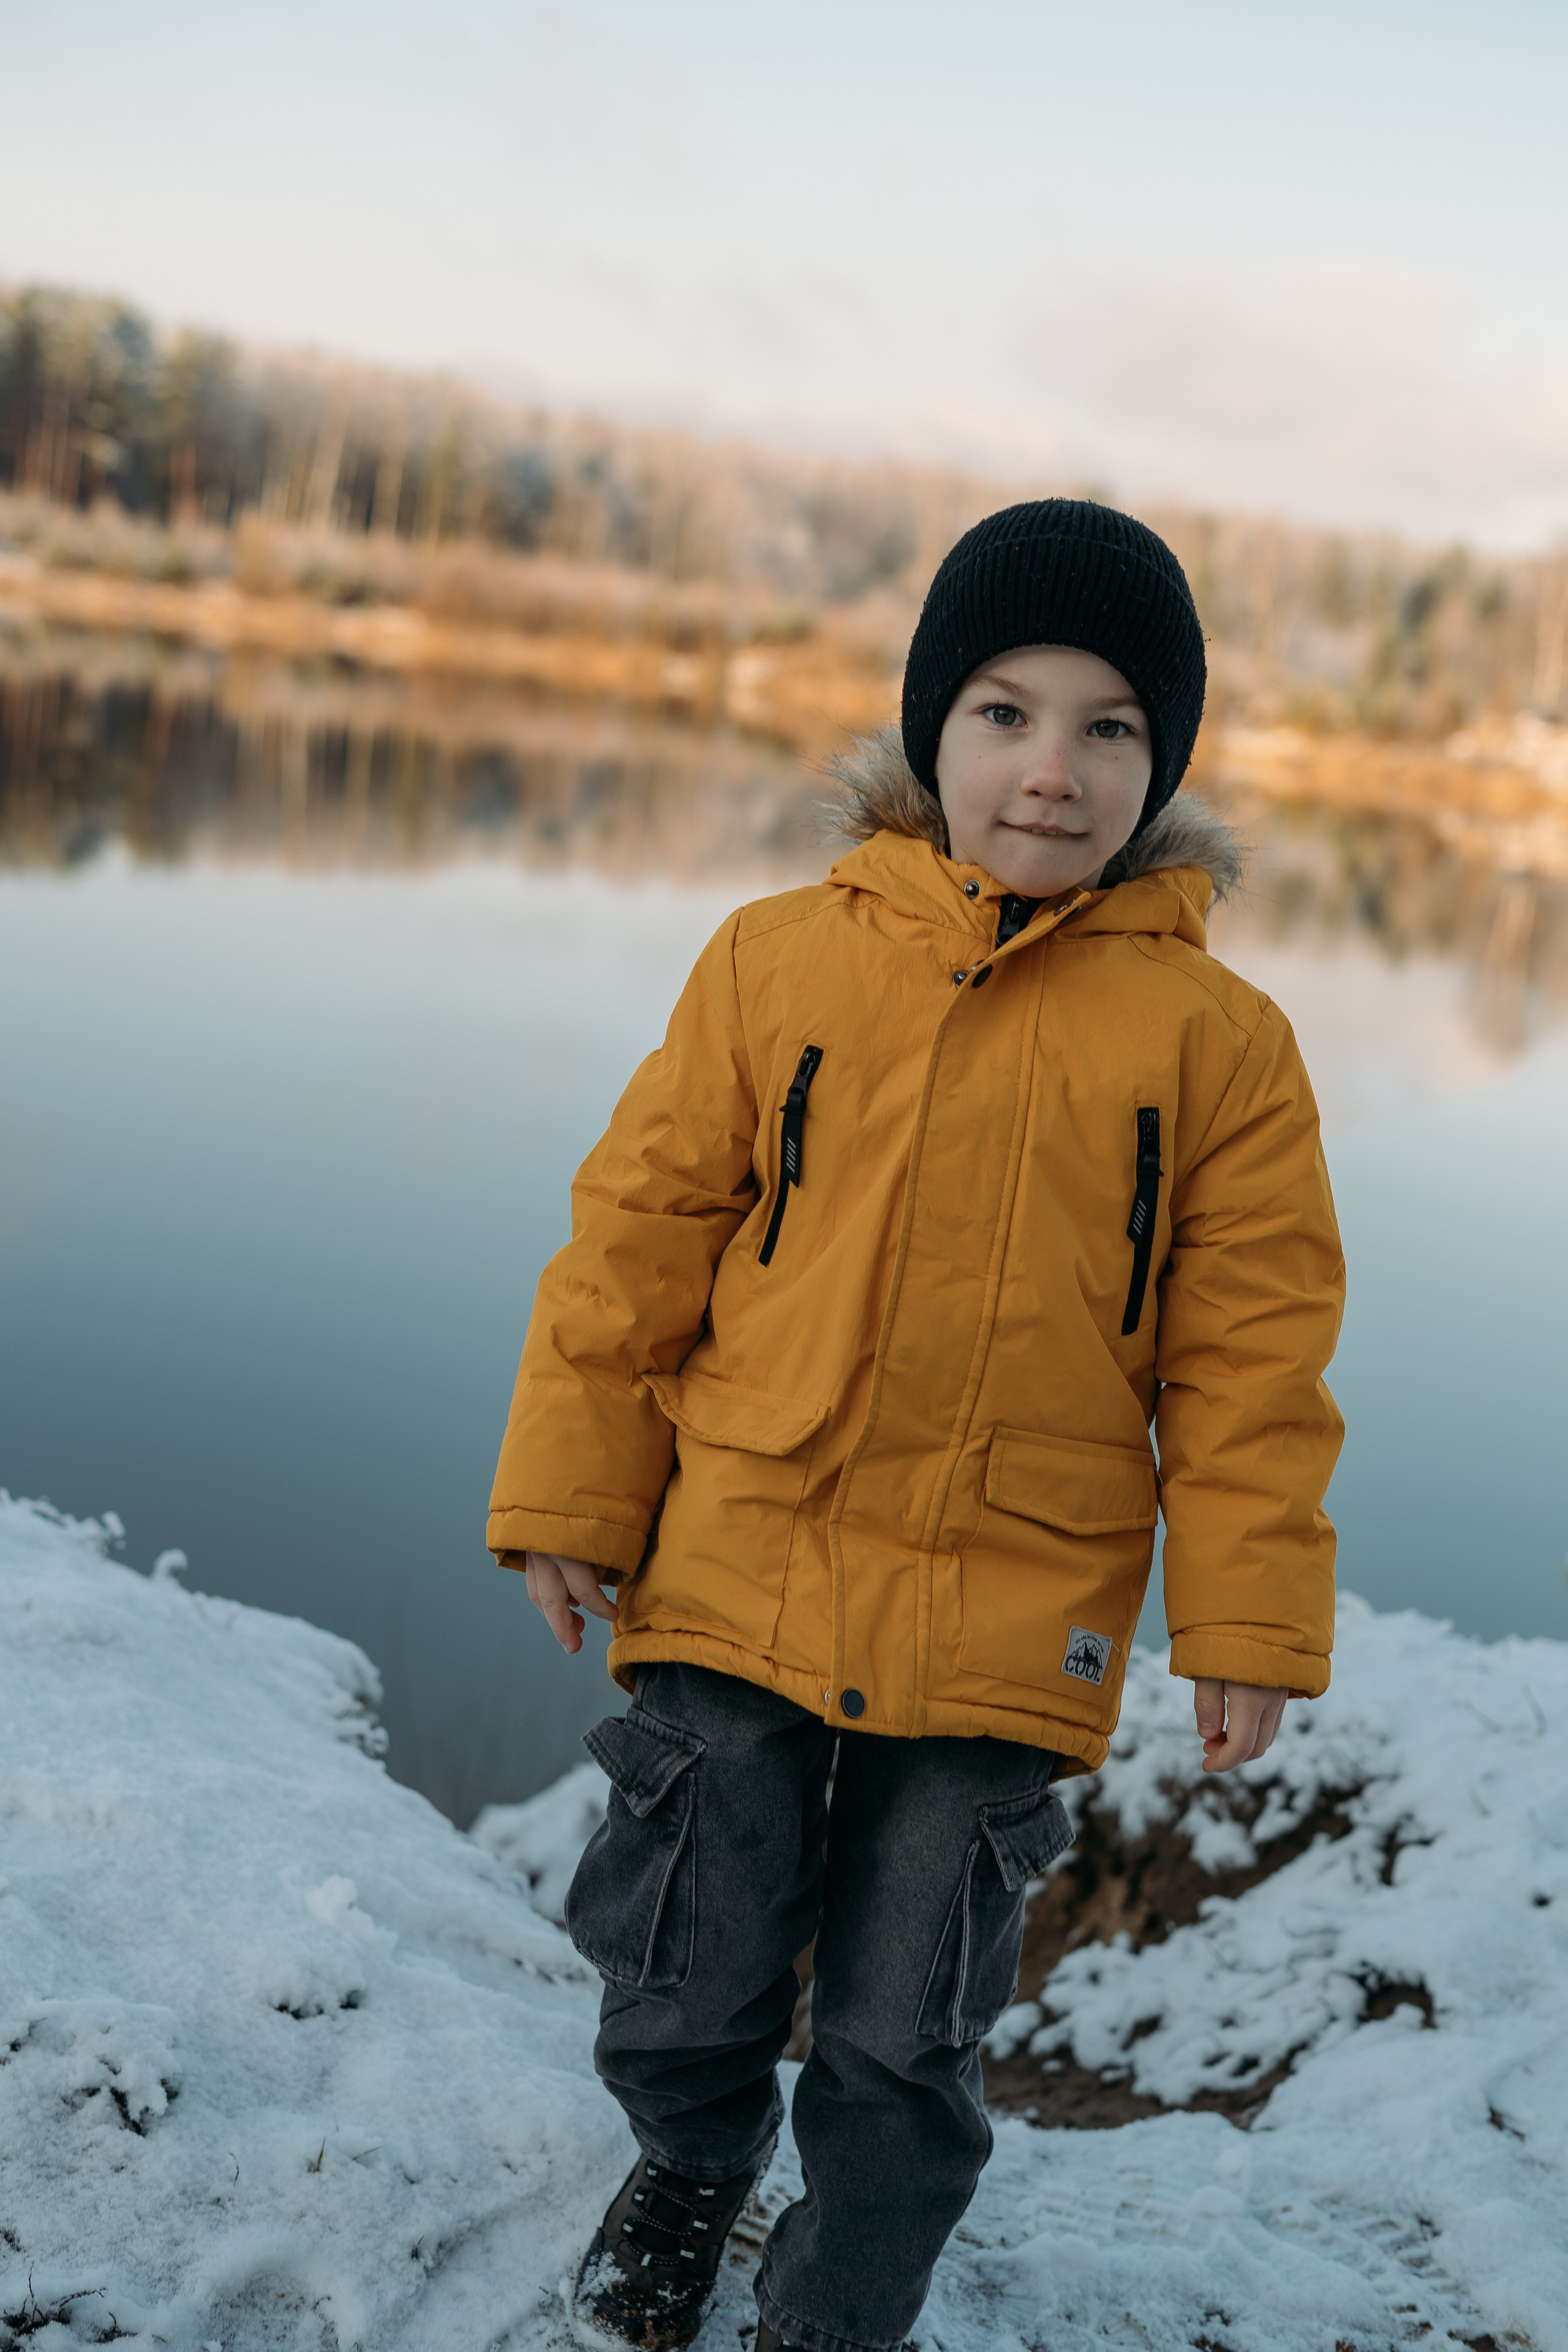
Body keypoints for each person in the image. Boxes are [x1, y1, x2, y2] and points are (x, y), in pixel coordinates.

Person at [487, 499, 1344, 2352]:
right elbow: (636, 1244)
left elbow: (1252, 1359)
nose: (1054, 770)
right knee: (688, 1946)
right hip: (747, 1548)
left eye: (1111, 727)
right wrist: (571, 1491)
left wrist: (1249, 1614)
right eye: (1006, 714)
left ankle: (844, 2304)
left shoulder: (1222, 1044)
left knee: (907, 2018)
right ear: (930, 730)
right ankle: (692, 2158)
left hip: (1011, 1600)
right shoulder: (777, 961)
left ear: (1163, 764)